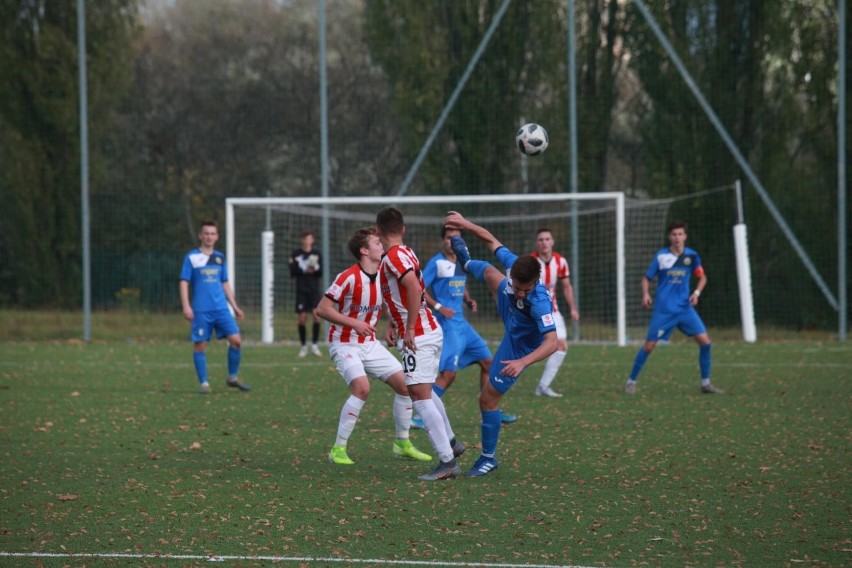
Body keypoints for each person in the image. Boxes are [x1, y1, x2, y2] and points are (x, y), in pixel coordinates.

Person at [443, 211, 558, 477]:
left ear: (535, 283)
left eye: (525, 289)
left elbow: (552, 342)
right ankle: (467, 261)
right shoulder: (514, 267)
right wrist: (466, 223)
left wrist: (522, 362)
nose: (520, 291)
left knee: (487, 398)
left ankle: (488, 457)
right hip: (512, 315)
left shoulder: (539, 301)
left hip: (520, 345)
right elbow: (492, 241)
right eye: (517, 286)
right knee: (490, 272)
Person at [316, 227, 432, 465]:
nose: (382, 246)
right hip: (344, 344)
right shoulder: (347, 276)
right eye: (376, 243)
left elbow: (389, 303)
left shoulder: (383, 275)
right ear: (364, 250)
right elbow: (322, 309)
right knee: (362, 388)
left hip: (370, 344)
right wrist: (353, 323)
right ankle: (338, 449)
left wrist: (390, 323)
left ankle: (402, 443)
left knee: (406, 386)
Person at [376, 207, 464, 481]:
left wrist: (410, 327)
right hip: (426, 330)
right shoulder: (407, 251)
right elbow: (403, 292)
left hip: (419, 334)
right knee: (424, 389)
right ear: (403, 230)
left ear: (378, 232)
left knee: (418, 395)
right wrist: (393, 322)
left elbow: (415, 289)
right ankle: (450, 441)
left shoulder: (392, 257)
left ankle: (447, 462)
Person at [415, 225, 517, 428]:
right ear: (442, 240)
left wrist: (468, 300)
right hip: (448, 324)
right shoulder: (437, 263)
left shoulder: (462, 261)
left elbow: (459, 283)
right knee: (448, 374)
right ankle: (421, 415)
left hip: (463, 323)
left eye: (456, 238)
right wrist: (439, 306)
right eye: (449, 238)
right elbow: (419, 288)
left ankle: (491, 408)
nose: (452, 241)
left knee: (488, 362)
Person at [624, 220, 723, 395]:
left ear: (685, 236)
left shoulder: (691, 256)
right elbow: (646, 278)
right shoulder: (662, 257)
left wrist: (696, 293)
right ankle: (631, 382)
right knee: (649, 346)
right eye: (674, 235)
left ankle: (706, 384)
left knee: (706, 343)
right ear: (669, 237)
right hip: (664, 310)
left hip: (685, 310)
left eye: (680, 234)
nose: (677, 238)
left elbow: (702, 277)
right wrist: (646, 294)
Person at [179, 220, 251, 394]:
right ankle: (204, 384)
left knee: (236, 341)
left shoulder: (219, 257)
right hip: (201, 310)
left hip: (221, 309)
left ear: (217, 237)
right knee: (200, 345)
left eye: (212, 234)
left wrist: (234, 306)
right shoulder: (191, 258)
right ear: (200, 235)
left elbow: (224, 283)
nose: (209, 237)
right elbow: (184, 282)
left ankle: (232, 377)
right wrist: (186, 306)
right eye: (206, 233)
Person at [531, 228, 580, 397]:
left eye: (547, 239)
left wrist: (573, 308)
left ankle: (543, 386)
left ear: (552, 242)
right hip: (533, 312)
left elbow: (566, 286)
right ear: (536, 243)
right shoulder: (531, 262)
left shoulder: (560, 261)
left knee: (561, 346)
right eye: (541, 240)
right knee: (529, 347)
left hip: (553, 311)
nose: (544, 242)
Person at [289, 230, 323, 357]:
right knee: (302, 318)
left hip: (314, 290)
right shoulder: (296, 254)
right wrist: (304, 269)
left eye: (310, 238)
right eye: (305, 238)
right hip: (301, 290)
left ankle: (314, 345)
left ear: (312, 240)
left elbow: (321, 272)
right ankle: (303, 346)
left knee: (316, 315)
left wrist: (315, 268)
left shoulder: (317, 254)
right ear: (302, 240)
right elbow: (292, 271)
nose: (307, 241)